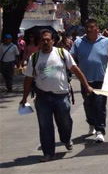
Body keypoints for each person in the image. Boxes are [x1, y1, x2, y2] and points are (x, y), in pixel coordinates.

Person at [20, 29, 93, 162]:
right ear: (39, 43)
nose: (46, 42)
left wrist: (86, 85)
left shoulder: (62, 53)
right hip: (42, 98)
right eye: (43, 40)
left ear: (53, 41)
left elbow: (75, 70)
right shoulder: (34, 58)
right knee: (45, 126)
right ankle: (48, 153)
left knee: (65, 123)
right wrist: (24, 98)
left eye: (48, 39)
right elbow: (28, 79)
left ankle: (66, 139)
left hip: (61, 96)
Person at [70, 19, 108, 143]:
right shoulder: (78, 42)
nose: (89, 29)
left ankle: (100, 131)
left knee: (100, 105)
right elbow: (71, 58)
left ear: (97, 28)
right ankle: (91, 123)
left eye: (92, 27)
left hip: (101, 80)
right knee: (88, 105)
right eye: (87, 27)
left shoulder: (107, 42)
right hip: (85, 80)